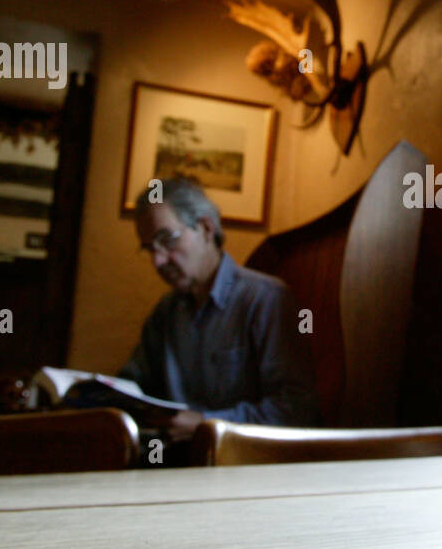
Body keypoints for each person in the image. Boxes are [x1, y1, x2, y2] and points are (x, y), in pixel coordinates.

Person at [119, 178, 317, 442]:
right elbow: (132, 386)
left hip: (247, 468)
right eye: (149, 248)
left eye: (166, 240)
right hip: (174, 465)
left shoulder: (266, 300)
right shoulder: (165, 313)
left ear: (206, 228)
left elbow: (296, 410)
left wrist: (208, 426)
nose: (158, 260)